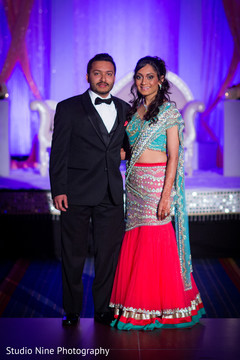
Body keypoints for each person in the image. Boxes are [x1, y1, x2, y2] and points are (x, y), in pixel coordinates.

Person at [109, 56, 205, 330]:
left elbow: (174, 157)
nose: (143, 82)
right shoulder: (133, 113)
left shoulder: (169, 112)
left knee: (155, 241)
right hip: (134, 184)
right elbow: (128, 150)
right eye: (139, 76)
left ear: (161, 80)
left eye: (150, 77)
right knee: (137, 241)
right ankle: (137, 306)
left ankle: (161, 307)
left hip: (156, 184)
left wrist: (166, 196)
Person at [49, 53, 130, 326]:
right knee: (73, 255)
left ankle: (103, 309)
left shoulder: (124, 108)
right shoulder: (69, 107)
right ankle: (71, 310)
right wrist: (59, 189)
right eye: (97, 73)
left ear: (114, 77)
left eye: (108, 73)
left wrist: (123, 154)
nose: (103, 78)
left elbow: (130, 147)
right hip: (76, 193)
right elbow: (58, 153)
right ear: (88, 76)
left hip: (110, 194)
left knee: (108, 256)